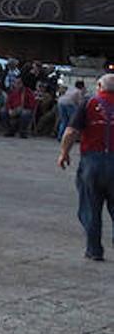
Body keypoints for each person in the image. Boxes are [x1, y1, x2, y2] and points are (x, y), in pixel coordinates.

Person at [59, 73, 114, 261]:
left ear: (99, 86)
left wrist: (64, 153)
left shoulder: (89, 103)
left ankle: (94, 250)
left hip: (93, 162)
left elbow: (70, 132)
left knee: (91, 207)